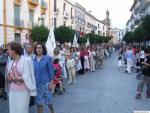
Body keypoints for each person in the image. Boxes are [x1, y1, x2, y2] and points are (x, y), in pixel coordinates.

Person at [5, 42, 36, 113]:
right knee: (13, 110)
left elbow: (29, 77)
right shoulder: (10, 62)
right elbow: (8, 76)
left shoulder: (26, 60)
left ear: (14, 50)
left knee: (21, 110)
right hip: (12, 91)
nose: (7, 51)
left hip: (23, 91)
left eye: (8, 49)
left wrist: (17, 78)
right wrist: (9, 78)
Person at [33, 42, 56, 113]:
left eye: (40, 48)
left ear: (43, 49)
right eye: (37, 48)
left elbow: (51, 72)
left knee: (49, 102)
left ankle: (52, 111)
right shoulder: (33, 59)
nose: (38, 49)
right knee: (39, 103)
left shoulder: (47, 58)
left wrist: (51, 83)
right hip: (37, 84)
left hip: (46, 84)